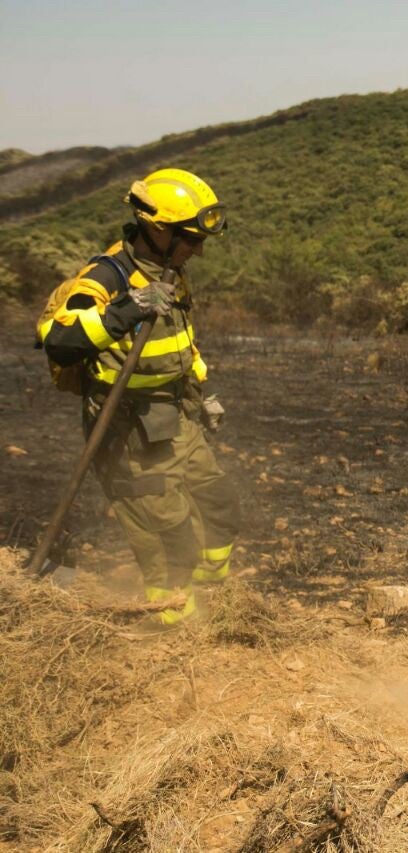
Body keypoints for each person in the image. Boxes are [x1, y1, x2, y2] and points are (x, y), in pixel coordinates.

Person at [35, 168, 240, 629]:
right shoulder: (105, 278)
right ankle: (167, 632)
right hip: (127, 428)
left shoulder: (172, 271)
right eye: (191, 238)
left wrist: (200, 392)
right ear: (157, 228)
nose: (199, 250)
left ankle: (213, 592)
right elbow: (61, 340)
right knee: (169, 535)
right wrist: (128, 309)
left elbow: (179, 342)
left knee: (221, 505)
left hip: (178, 414)